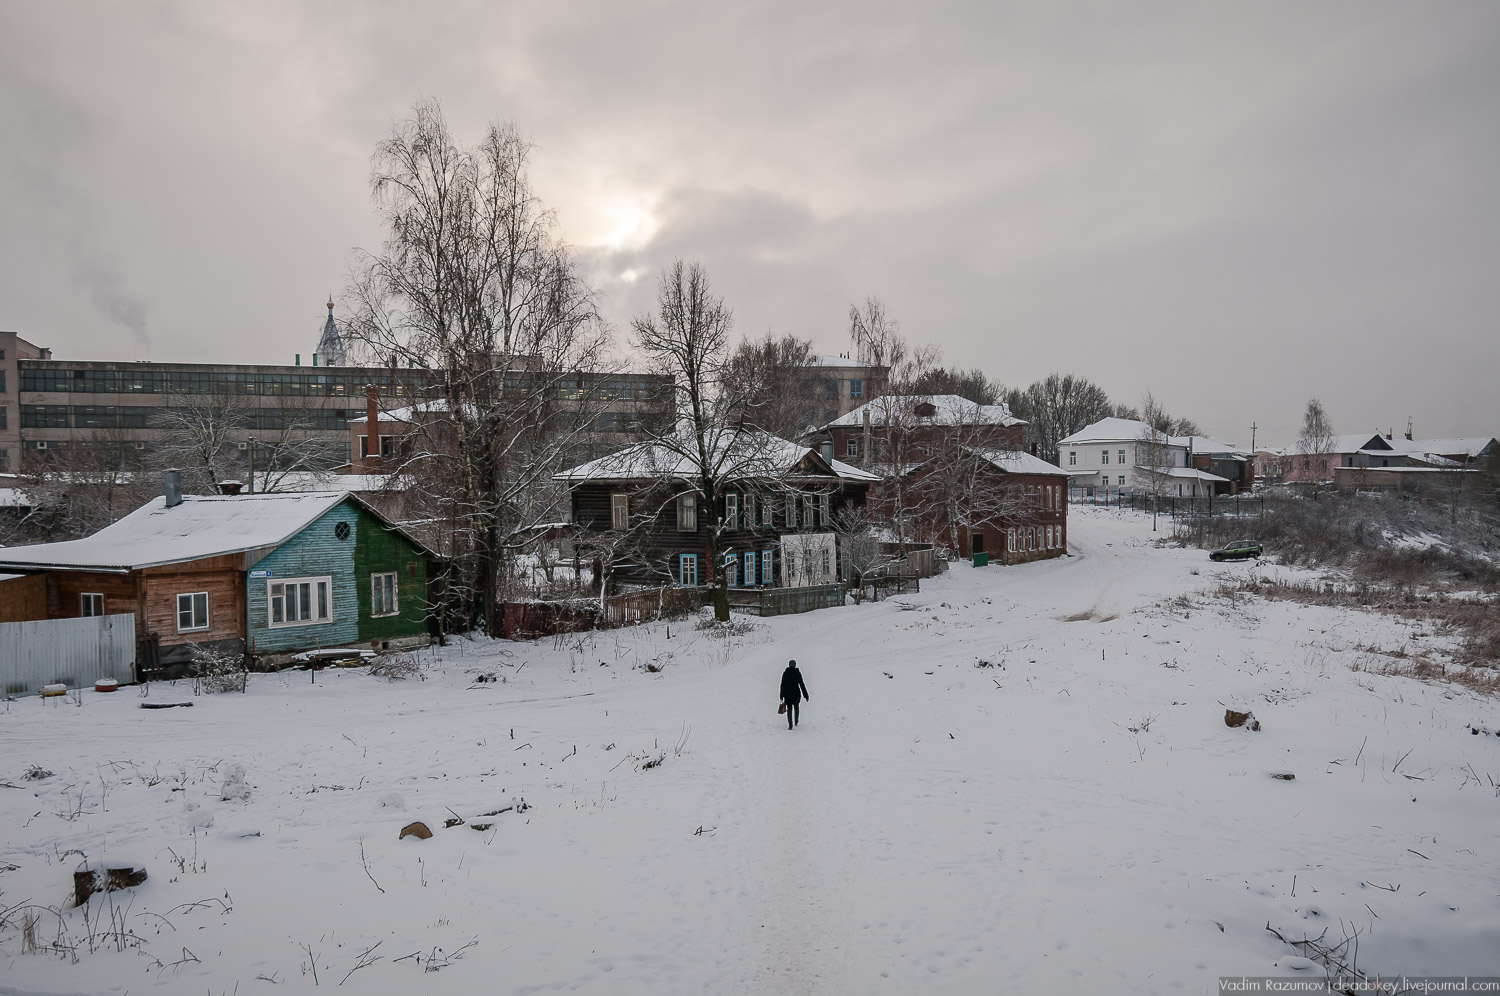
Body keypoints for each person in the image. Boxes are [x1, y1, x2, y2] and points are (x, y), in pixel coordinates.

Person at [779, 660, 810, 730]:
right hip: (796, 693)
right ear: (795, 665)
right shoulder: (797, 673)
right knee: (796, 707)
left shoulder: (786, 673)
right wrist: (806, 695)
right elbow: (802, 684)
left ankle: (790, 724)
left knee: (789, 708)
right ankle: (796, 721)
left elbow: (782, 685)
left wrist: (781, 695)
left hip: (788, 694)